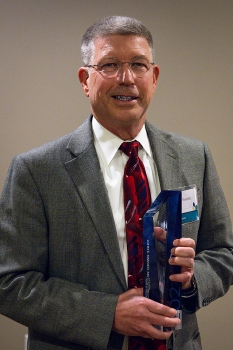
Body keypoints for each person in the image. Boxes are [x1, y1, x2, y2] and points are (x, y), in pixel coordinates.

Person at [0, 16, 232, 350]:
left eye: (138, 65)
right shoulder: (36, 170)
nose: (126, 78)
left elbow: (224, 253)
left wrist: (193, 279)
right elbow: (10, 283)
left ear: (153, 78)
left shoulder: (195, 156)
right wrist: (107, 313)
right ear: (85, 79)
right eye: (109, 65)